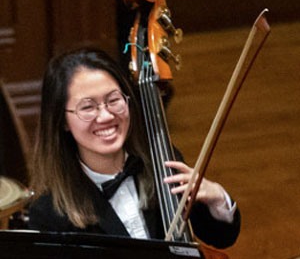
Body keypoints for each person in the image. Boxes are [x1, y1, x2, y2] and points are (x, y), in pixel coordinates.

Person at [28, 48, 240, 249]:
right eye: (88, 107)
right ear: (62, 120)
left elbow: (221, 237)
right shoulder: (48, 211)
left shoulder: (161, 161)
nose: (106, 116)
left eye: (113, 100)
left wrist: (216, 197)